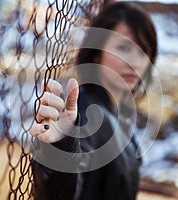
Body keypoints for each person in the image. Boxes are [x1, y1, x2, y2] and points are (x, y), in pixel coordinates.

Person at [29, 2, 157, 200]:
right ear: (97, 51)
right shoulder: (86, 110)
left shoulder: (117, 114)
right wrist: (61, 147)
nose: (135, 62)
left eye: (143, 51)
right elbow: (66, 192)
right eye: (124, 48)